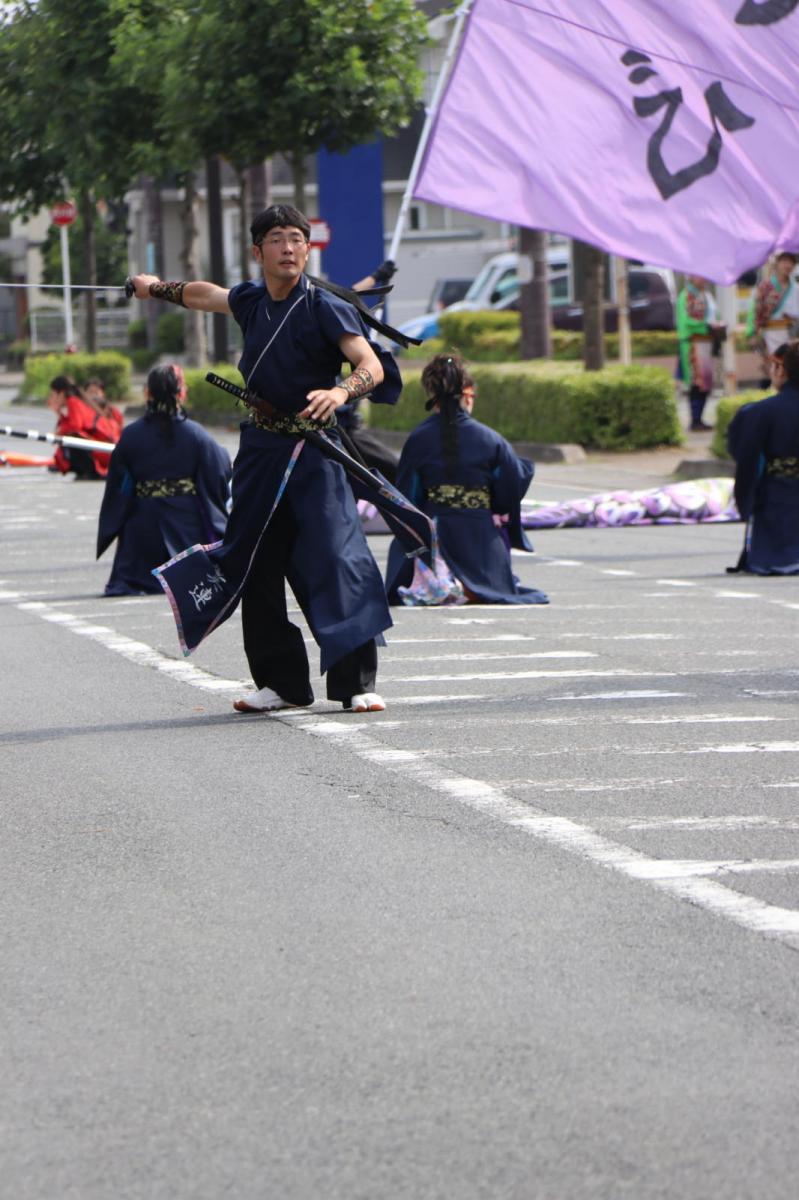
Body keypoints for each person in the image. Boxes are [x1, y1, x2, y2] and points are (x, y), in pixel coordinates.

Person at [129, 203, 405, 715]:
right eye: (277, 239)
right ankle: (281, 683)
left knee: (337, 558)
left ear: (307, 249)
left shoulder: (324, 306)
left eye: (297, 239)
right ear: (258, 251)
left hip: (315, 449)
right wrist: (154, 287)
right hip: (261, 450)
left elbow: (370, 365)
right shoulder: (252, 300)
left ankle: (356, 683)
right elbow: (205, 294)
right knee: (255, 562)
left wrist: (341, 392)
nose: (289, 248)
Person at [384, 354, 549, 606]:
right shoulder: (492, 440)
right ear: (468, 395)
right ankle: (470, 585)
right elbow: (508, 492)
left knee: (411, 542)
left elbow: (408, 500)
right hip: (481, 541)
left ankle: (439, 582)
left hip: (433, 538)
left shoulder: (417, 440)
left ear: (432, 395)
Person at [97, 363, 231, 596]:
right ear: (181, 393)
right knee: (195, 575)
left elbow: (118, 485)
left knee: (136, 557)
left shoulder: (131, 435)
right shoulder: (196, 435)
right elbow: (219, 470)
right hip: (186, 524)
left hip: (141, 527)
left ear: (147, 393)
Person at [727, 340, 799, 574]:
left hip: (780, 500)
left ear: (781, 370)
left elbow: (743, 457)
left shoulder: (760, 411)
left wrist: (744, 502)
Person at [337, 260, 401, 482]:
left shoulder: (326, 305)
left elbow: (349, 294)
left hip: (347, 425)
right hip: (339, 431)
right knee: (396, 472)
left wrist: (377, 276)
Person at [676, 275, 725, 432]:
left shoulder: (707, 295)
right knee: (697, 383)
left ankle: (700, 419)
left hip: (708, 344)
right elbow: (685, 321)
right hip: (694, 344)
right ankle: (695, 420)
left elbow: (715, 316)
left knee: (706, 383)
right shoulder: (686, 296)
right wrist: (706, 326)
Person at [47, 375, 119, 479]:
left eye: (53, 394)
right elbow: (70, 424)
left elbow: (75, 427)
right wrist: (58, 413)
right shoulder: (75, 401)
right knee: (69, 439)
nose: (52, 398)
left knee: (72, 439)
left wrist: (57, 434)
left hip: (105, 451)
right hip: (104, 449)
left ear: (61, 393)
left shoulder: (73, 401)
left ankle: (91, 471)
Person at [745, 252, 799, 388]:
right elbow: (755, 311)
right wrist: (752, 333)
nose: (788, 265)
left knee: (791, 369)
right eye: (784, 261)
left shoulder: (796, 288)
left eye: (791, 262)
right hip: (770, 335)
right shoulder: (765, 286)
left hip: (792, 335)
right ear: (777, 263)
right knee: (773, 368)